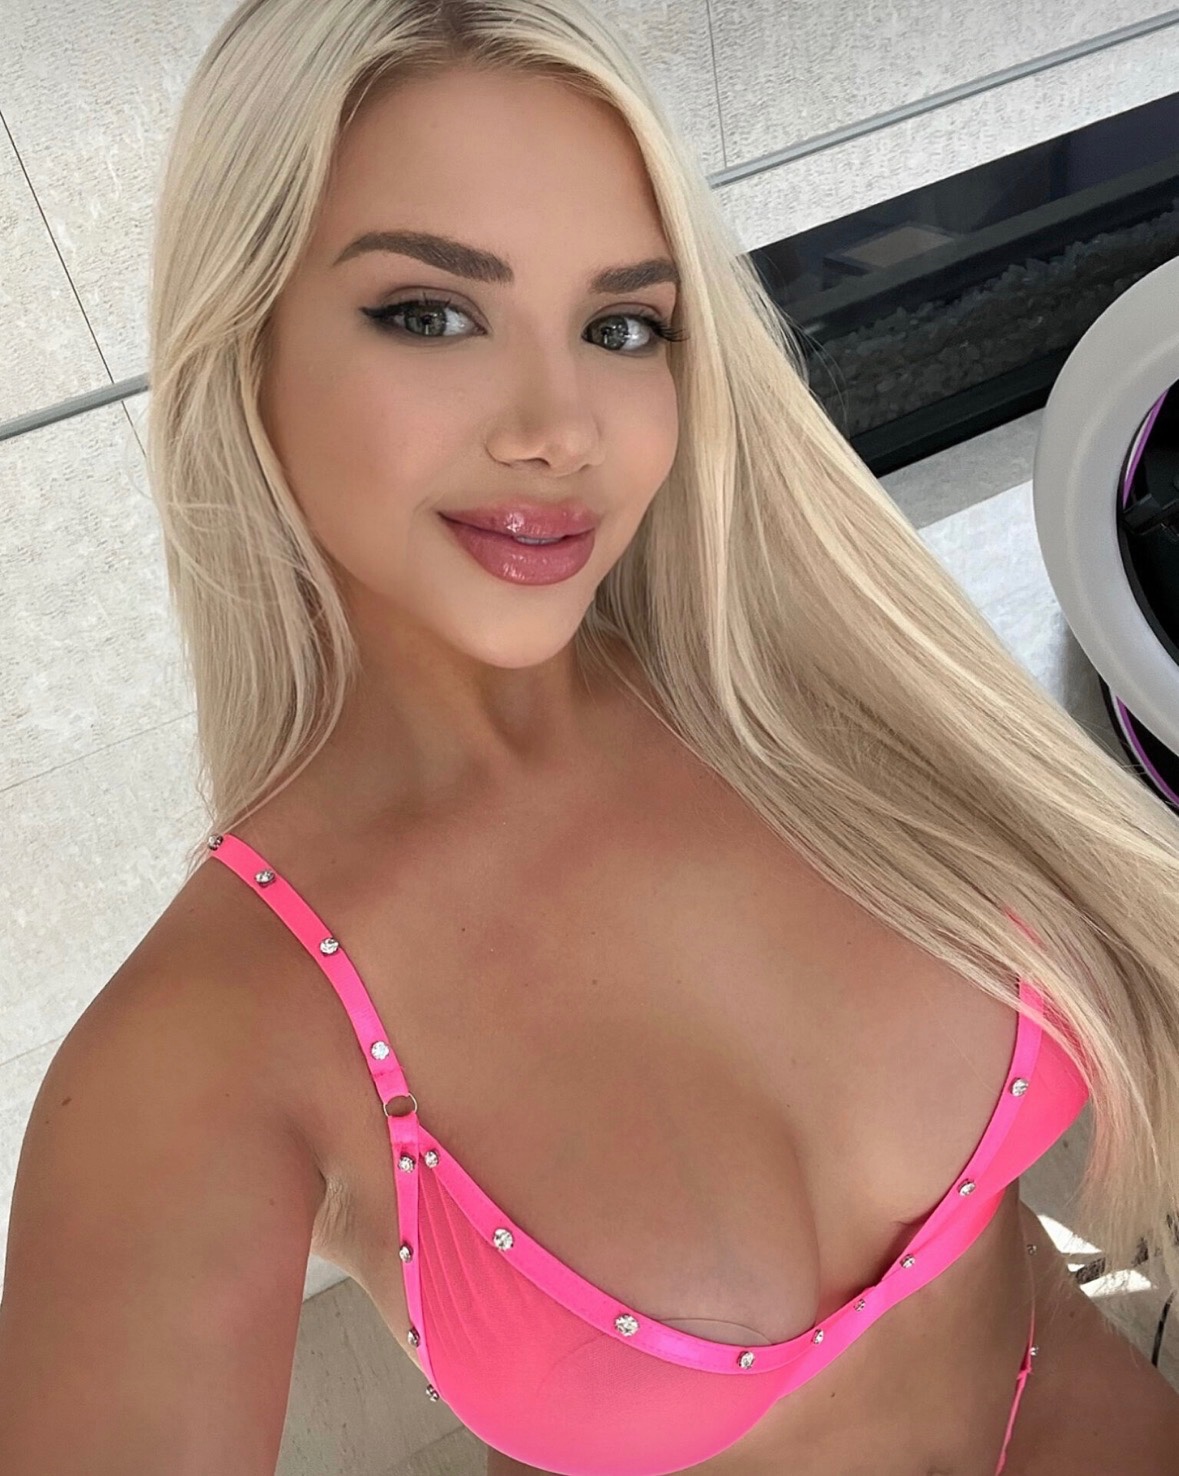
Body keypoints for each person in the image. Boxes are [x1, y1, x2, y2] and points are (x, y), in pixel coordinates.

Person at [4, 2, 1179, 1472]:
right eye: (430, 313)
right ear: (247, 350)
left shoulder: (799, 681)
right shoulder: (201, 1052)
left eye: (622, 327)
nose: (560, 426)